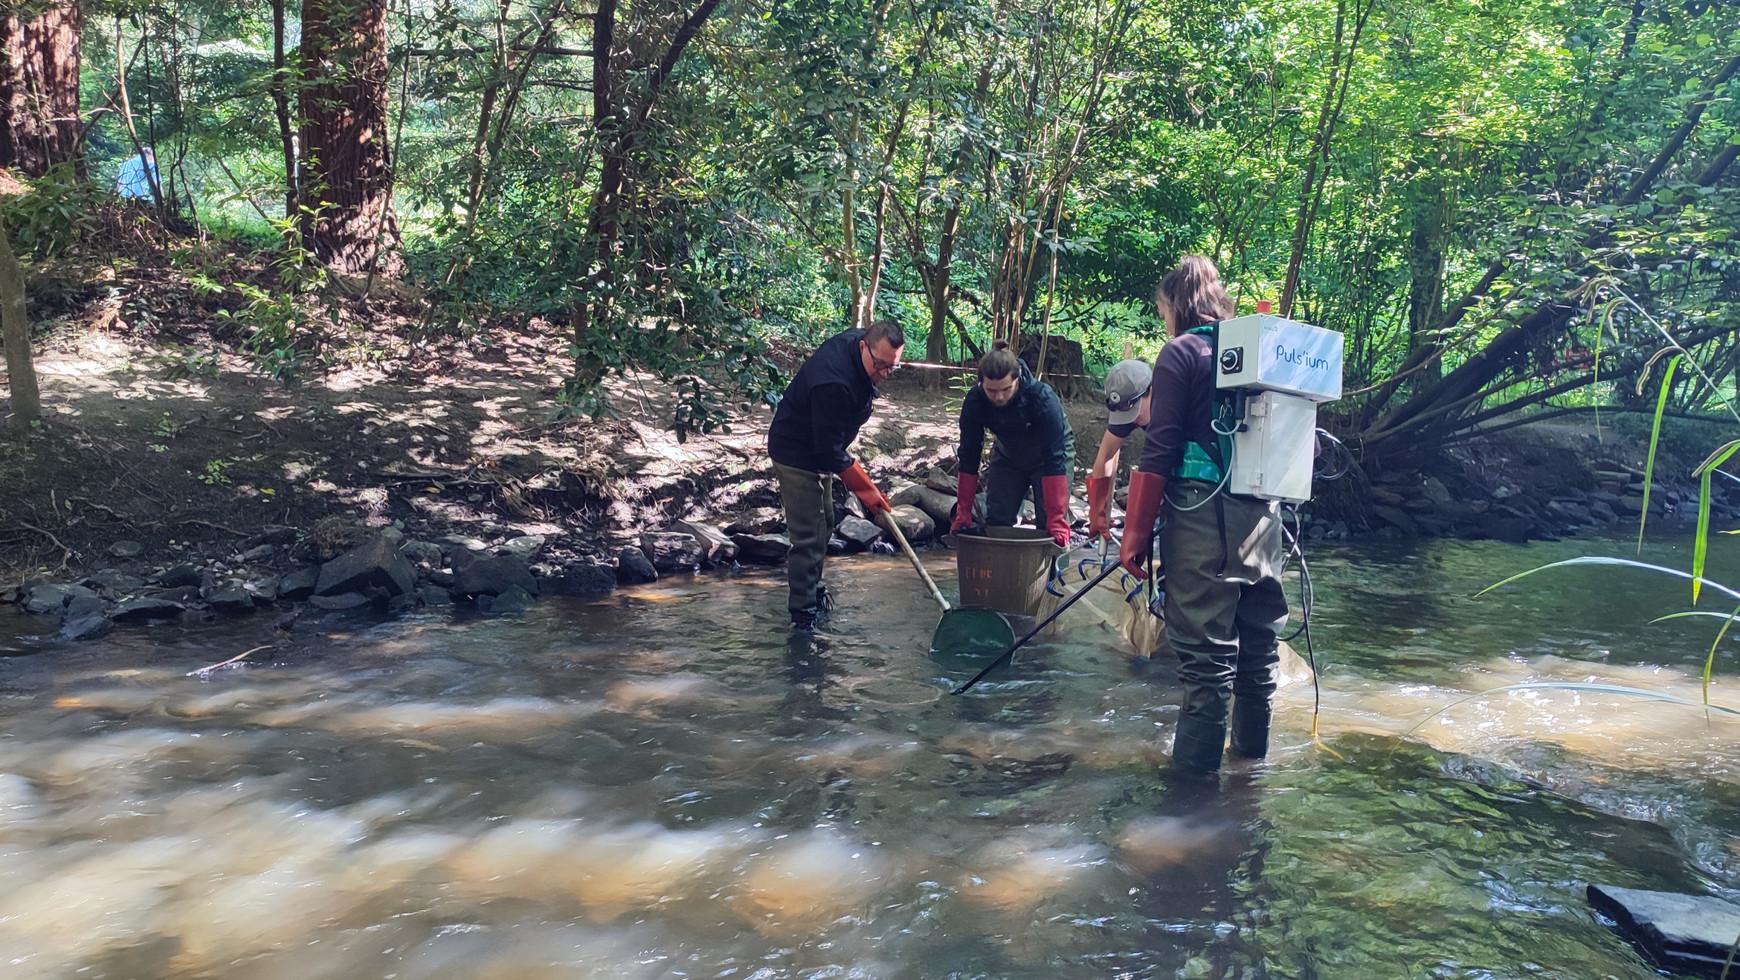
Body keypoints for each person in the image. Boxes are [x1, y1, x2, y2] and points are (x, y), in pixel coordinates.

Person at [1118, 256, 1290, 775]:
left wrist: (1135, 536)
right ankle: (1249, 781)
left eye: (1162, 311)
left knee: (1206, 662)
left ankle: (1191, 808)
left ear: (1174, 306)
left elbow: (1161, 448)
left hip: (1201, 518)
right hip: (1266, 520)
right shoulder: (1259, 351)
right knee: (1258, 654)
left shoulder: (1182, 351)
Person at [767, 319, 905, 630]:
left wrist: (863, 486)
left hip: (822, 450)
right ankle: (803, 615)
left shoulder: (863, 344)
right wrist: (867, 491)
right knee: (810, 533)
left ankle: (815, 593)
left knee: (826, 521)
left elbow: (831, 448)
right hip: (797, 452)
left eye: (892, 367)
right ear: (862, 347)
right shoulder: (833, 382)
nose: (885, 374)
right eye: (880, 365)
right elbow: (829, 450)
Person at [949, 346, 1074, 549]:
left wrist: (1057, 519)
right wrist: (963, 511)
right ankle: (999, 575)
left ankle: (1053, 578)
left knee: (1049, 528)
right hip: (1008, 457)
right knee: (997, 519)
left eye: (1005, 389)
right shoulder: (975, 401)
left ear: (1017, 378)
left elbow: (1055, 459)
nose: (999, 397)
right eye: (992, 391)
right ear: (982, 384)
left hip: (1049, 459)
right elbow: (969, 455)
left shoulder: (1041, 398)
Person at [1084, 359, 1154, 540]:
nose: (1131, 419)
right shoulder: (1129, 406)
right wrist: (1098, 511)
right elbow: (1106, 455)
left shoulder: (1171, 407)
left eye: (1134, 411)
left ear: (1150, 391)